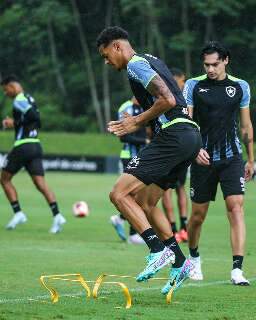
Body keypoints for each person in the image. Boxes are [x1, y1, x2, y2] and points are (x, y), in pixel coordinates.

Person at [97, 26, 202, 294]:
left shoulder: (135, 64)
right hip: (189, 136)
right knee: (146, 202)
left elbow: (166, 99)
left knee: (119, 194)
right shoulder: (151, 59)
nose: (107, 63)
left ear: (117, 46)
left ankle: (158, 250)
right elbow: (171, 97)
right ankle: (179, 262)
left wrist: (135, 121)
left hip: (174, 135)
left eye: (106, 56)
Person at [184, 41, 254, 285]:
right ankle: (193, 258)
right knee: (197, 216)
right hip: (202, 159)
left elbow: (245, 127)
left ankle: (237, 269)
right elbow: (187, 123)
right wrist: (194, 151)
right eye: (206, 64)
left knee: (236, 208)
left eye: (215, 64)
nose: (210, 69)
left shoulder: (240, 86)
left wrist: (251, 159)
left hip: (232, 157)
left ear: (226, 60)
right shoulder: (193, 85)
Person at [0, 75, 66, 234]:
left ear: (12, 86)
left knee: (4, 179)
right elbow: (38, 121)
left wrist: (13, 123)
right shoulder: (30, 98)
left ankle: (18, 213)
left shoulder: (19, 100)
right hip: (35, 145)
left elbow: (34, 117)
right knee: (40, 183)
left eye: (5, 89)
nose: (5, 93)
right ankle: (57, 216)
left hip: (23, 146)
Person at [110, 97, 148, 244]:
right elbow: (123, 137)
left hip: (143, 155)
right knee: (133, 193)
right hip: (128, 155)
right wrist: (144, 141)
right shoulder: (125, 108)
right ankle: (133, 234)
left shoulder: (147, 104)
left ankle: (119, 219)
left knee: (139, 194)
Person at [162, 68, 188, 243]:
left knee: (178, 188)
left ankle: (183, 228)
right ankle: (173, 228)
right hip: (171, 148)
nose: (183, 84)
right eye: (182, 80)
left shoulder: (184, 98)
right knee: (167, 189)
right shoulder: (164, 97)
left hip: (180, 149)